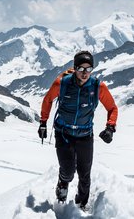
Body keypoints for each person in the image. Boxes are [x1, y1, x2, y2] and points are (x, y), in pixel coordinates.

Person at [38, 50, 118, 210]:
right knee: (67, 172)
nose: (85, 73)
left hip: (85, 135)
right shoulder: (62, 83)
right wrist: (43, 122)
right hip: (63, 134)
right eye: (81, 69)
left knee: (84, 175)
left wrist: (110, 127)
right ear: (75, 68)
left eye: (89, 69)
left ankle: (80, 205)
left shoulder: (97, 87)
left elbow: (112, 108)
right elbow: (47, 100)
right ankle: (62, 188)